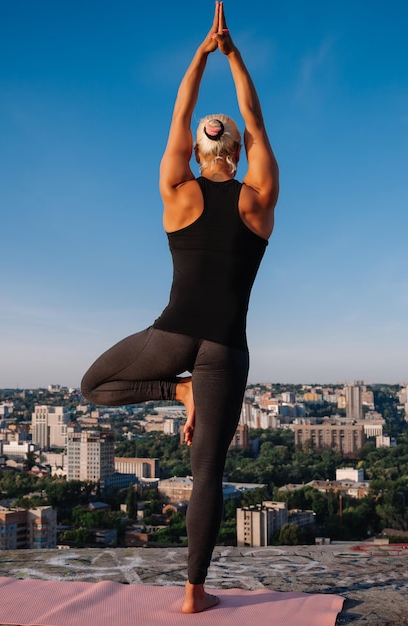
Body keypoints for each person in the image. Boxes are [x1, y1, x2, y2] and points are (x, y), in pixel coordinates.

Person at [80, 1, 278, 614]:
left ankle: (175, 394)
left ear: (196, 154)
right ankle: (193, 593)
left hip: (171, 336)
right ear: (240, 154)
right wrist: (236, 57)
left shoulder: (177, 190)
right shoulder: (259, 197)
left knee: (92, 388)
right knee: (206, 475)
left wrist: (200, 53)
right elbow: (257, 120)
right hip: (225, 347)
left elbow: (180, 112)